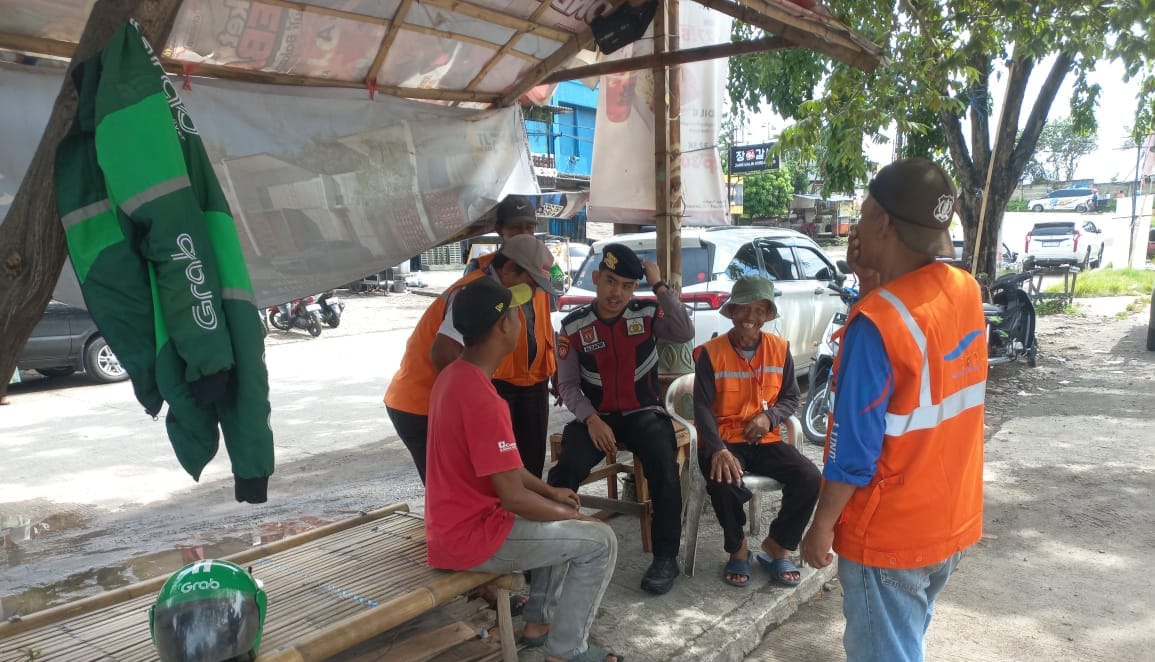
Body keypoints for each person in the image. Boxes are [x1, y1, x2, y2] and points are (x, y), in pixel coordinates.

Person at [800, 159, 988, 662]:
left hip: (890, 537)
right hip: (949, 521)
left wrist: (821, 526)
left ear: (882, 222)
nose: (855, 226)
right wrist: (870, 282)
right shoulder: (965, 290)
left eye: (862, 212)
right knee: (905, 645)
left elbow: (852, 450)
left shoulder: (877, 323)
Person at [425, 278, 621, 662]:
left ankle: (539, 625)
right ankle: (566, 651)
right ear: (503, 325)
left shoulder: (454, 377)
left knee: (556, 514)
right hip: (471, 539)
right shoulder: (484, 399)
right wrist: (574, 517)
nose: (523, 320)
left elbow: (506, 468)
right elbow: (514, 498)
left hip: (452, 528)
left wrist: (551, 494)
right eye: (518, 313)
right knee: (601, 541)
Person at [548, 243, 694, 595]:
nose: (617, 293)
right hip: (595, 417)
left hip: (643, 413)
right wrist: (591, 419)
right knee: (565, 470)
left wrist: (659, 285)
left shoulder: (648, 314)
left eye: (627, 286)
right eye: (611, 282)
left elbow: (684, 331)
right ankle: (548, 549)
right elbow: (567, 386)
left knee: (664, 468)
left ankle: (665, 558)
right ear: (596, 278)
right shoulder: (573, 326)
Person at [383, 233, 559, 483]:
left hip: (439, 401)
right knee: (451, 487)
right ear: (509, 268)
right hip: (419, 403)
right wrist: (473, 403)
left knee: (464, 486)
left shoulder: (495, 292)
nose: (532, 294)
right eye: (530, 285)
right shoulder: (476, 292)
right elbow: (443, 352)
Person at [692, 276, 820, 588]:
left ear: (767, 315)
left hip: (765, 439)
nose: (751, 317)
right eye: (744, 309)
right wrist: (718, 449)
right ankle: (738, 549)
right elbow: (702, 407)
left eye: (760, 310)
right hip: (723, 440)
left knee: (809, 478)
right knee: (723, 482)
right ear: (732, 311)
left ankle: (778, 546)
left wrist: (769, 417)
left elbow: (791, 397)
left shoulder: (779, 349)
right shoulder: (711, 352)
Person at [463, 195, 562, 478]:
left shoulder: (545, 266)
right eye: (516, 228)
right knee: (501, 462)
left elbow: (548, 320)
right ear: (500, 231)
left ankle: (527, 506)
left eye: (530, 227)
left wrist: (556, 368)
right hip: (498, 380)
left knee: (532, 462)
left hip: (537, 380)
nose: (525, 234)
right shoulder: (482, 270)